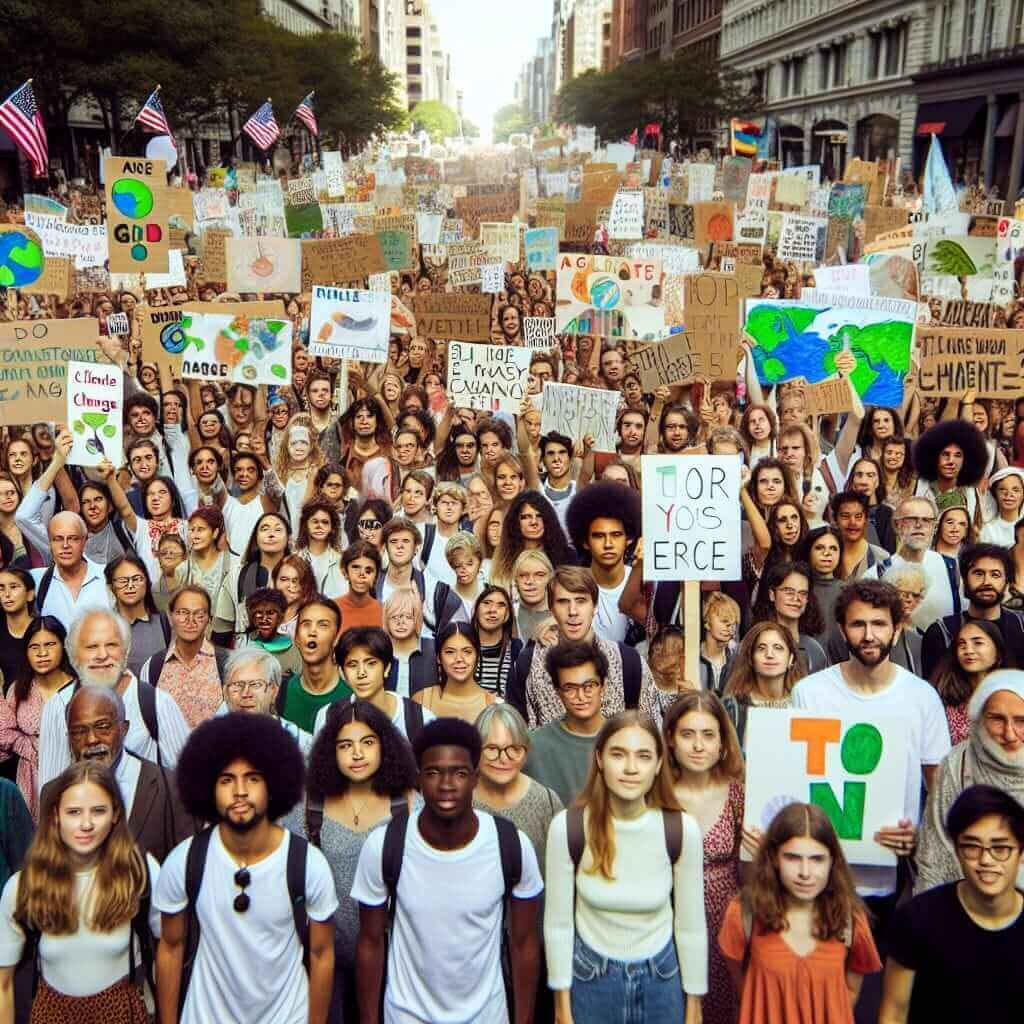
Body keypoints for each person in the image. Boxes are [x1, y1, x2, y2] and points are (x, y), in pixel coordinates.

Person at [791, 580, 950, 988]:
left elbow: (939, 790)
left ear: (897, 628)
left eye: (879, 624)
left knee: (864, 993)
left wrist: (917, 836)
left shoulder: (922, 698)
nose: (869, 635)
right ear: (842, 630)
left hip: (886, 878)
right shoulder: (809, 694)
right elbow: (791, 781)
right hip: (814, 876)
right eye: (858, 624)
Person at [352, 717, 543, 1024]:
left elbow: (524, 944)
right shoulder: (385, 845)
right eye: (433, 773)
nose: (446, 785)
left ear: (475, 778)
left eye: (459, 773)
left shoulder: (511, 846)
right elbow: (370, 943)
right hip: (405, 1015)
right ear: (418, 778)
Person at [154, 714, 337, 1024]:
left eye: (252, 778)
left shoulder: (308, 864)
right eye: (227, 780)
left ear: (273, 783)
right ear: (208, 787)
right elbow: (170, 947)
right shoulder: (184, 861)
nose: (240, 791)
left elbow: (322, 955)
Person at [544, 710, 706, 1023]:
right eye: (619, 754)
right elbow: (558, 925)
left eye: (644, 756)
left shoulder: (681, 830)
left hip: (662, 979)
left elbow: (691, 927)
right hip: (590, 980)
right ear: (600, 759)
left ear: (659, 764)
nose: (631, 768)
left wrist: (694, 1005)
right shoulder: (568, 828)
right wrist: (562, 1006)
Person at [0, 762, 162, 1023]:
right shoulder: (24, 887)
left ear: (115, 814)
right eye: (74, 812)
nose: (86, 824)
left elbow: (169, 950)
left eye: (98, 811)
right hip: (52, 1014)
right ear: (56, 815)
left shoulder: (141, 874)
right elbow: (3, 984)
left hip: (122, 1013)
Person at [297, 700, 418, 1023]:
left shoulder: (408, 805)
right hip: (323, 956)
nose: (357, 754)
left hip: (391, 954)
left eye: (367, 742)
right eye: (345, 745)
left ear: (385, 746)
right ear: (330, 751)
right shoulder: (309, 805)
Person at [718, 803, 881, 1024]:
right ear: (774, 858)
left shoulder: (850, 919)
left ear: (832, 861)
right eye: (793, 858)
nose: (805, 872)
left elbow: (850, 993)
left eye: (817, 859)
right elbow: (744, 988)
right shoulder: (744, 913)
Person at [880, 785, 1024, 1024]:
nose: (985, 860)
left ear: (1021, 854)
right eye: (972, 847)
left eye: (1000, 848)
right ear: (957, 851)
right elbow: (893, 1014)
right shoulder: (917, 919)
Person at [38, 608, 191, 790]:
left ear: (126, 651)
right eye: (92, 647)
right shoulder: (59, 705)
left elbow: (188, 779)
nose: (103, 655)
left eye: (111, 645)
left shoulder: (157, 703)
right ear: (73, 655)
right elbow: (50, 786)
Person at [664, 692, 747, 1024]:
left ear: (722, 742)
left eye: (708, 735)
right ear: (670, 739)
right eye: (688, 734)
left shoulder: (737, 794)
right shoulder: (657, 793)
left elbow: (754, 876)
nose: (698, 746)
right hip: (667, 920)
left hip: (724, 923)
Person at [41, 685, 193, 863]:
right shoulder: (52, 794)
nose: (91, 740)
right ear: (68, 737)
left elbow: (186, 870)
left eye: (102, 727)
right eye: (79, 732)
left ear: (124, 729)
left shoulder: (169, 788)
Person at [506, 567, 659, 729]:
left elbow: (651, 733)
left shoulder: (629, 661)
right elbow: (518, 737)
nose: (573, 611)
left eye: (581, 601)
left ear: (595, 607)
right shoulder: (527, 664)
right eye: (563, 602)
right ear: (551, 609)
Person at [914, 670, 1024, 895]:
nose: (1009, 733)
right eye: (997, 719)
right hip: (964, 905)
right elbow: (934, 851)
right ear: (981, 719)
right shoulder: (958, 764)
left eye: (1021, 721)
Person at [473, 703, 563, 874]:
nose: (503, 758)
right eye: (492, 748)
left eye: (514, 749)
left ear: (526, 752)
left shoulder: (547, 802)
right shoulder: (459, 800)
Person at [522, 641, 608, 807]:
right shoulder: (534, 746)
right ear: (557, 691)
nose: (581, 696)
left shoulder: (624, 739)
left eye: (589, 686)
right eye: (570, 688)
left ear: (602, 686)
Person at [313, 627, 435, 743]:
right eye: (352, 665)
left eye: (371, 663)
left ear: (387, 668)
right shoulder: (327, 717)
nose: (361, 673)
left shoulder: (420, 718)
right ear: (343, 673)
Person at [921, 543, 1024, 679]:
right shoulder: (942, 632)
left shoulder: (1021, 626)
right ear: (964, 579)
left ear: (1006, 581)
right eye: (978, 573)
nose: (987, 582)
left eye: (995, 575)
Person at [863, 495, 958, 632]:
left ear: (934, 527)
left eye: (926, 520)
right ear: (896, 525)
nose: (919, 525)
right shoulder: (875, 575)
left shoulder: (951, 567)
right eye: (911, 519)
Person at [139, 585, 226, 728]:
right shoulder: (153, 666)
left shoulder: (226, 664)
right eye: (182, 612)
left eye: (199, 614)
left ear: (209, 619)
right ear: (170, 616)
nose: (190, 620)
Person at [565, 481, 641, 645]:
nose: (608, 544)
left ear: (629, 539)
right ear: (585, 542)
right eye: (599, 536)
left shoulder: (641, 583)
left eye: (616, 535)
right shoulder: (571, 586)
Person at [721, 622, 805, 749]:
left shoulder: (804, 703)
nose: (769, 654)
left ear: (791, 659)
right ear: (751, 659)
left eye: (778, 647)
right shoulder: (733, 707)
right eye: (761, 648)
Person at [278, 598, 349, 735]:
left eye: (323, 625)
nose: (312, 632)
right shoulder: (279, 693)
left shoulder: (354, 696)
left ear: (336, 639)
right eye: (306, 624)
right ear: (296, 637)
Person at [221, 648, 313, 755]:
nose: (246, 694)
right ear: (225, 692)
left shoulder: (302, 745)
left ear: (274, 691)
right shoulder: (209, 740)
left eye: (256, 684)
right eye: (237, 685)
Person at [929, 619, 1006, 744]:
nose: (968, 650)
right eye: (962, 644)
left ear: (997, 652)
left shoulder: (1015, 697)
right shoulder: (944, 700)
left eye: (978, 643)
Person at [30, 512, 113, 624]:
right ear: (50, 543)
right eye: (58, 539)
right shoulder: (36, 579)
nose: (65, 545)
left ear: (85, 541)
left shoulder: (107, 576)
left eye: (73, 538)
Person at [414, 622, 499, 724]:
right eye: (450, 652)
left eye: (467, 652)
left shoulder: (494, 704)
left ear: (478, 656)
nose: (459, 659)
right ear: (438, 658)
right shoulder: (422, 699)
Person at [105, 555, 170, 678]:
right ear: (110, 586)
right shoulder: (103, 627)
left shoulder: (164, 623)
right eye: (123, 581)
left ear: (147, 582)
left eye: (136, 579)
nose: (130, 585)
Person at [235, 587, 304, 680]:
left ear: (280, 617)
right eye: (259, 613)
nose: (264, 619)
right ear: (252, 617)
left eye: (270, 613)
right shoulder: (243, 644)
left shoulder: (293, 649)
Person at [381, 587, 436, 699]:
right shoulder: (379, 651)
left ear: (417, 618)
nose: (401, 622)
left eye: (408, 617)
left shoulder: (433, 649)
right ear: (386, 619)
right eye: (394, 617)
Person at [472, 585, 522, 697]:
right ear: (476, 609)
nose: (492, 610)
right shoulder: (463, 646)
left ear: (507, 614)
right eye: (487, 603)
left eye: (501, 605)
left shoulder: (516, 649)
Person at [337, 541, 384, 632]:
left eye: (368, 570)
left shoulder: (384, 612)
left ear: (376, 576)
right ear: (345, 571)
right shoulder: (331, 610)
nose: (361, 575)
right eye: (355, 567)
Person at [700, 593, 740, 694]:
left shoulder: (738, 659)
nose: (730, 627)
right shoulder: (692, 658)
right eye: (724, 621)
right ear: (707, 622)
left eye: (734, 623)